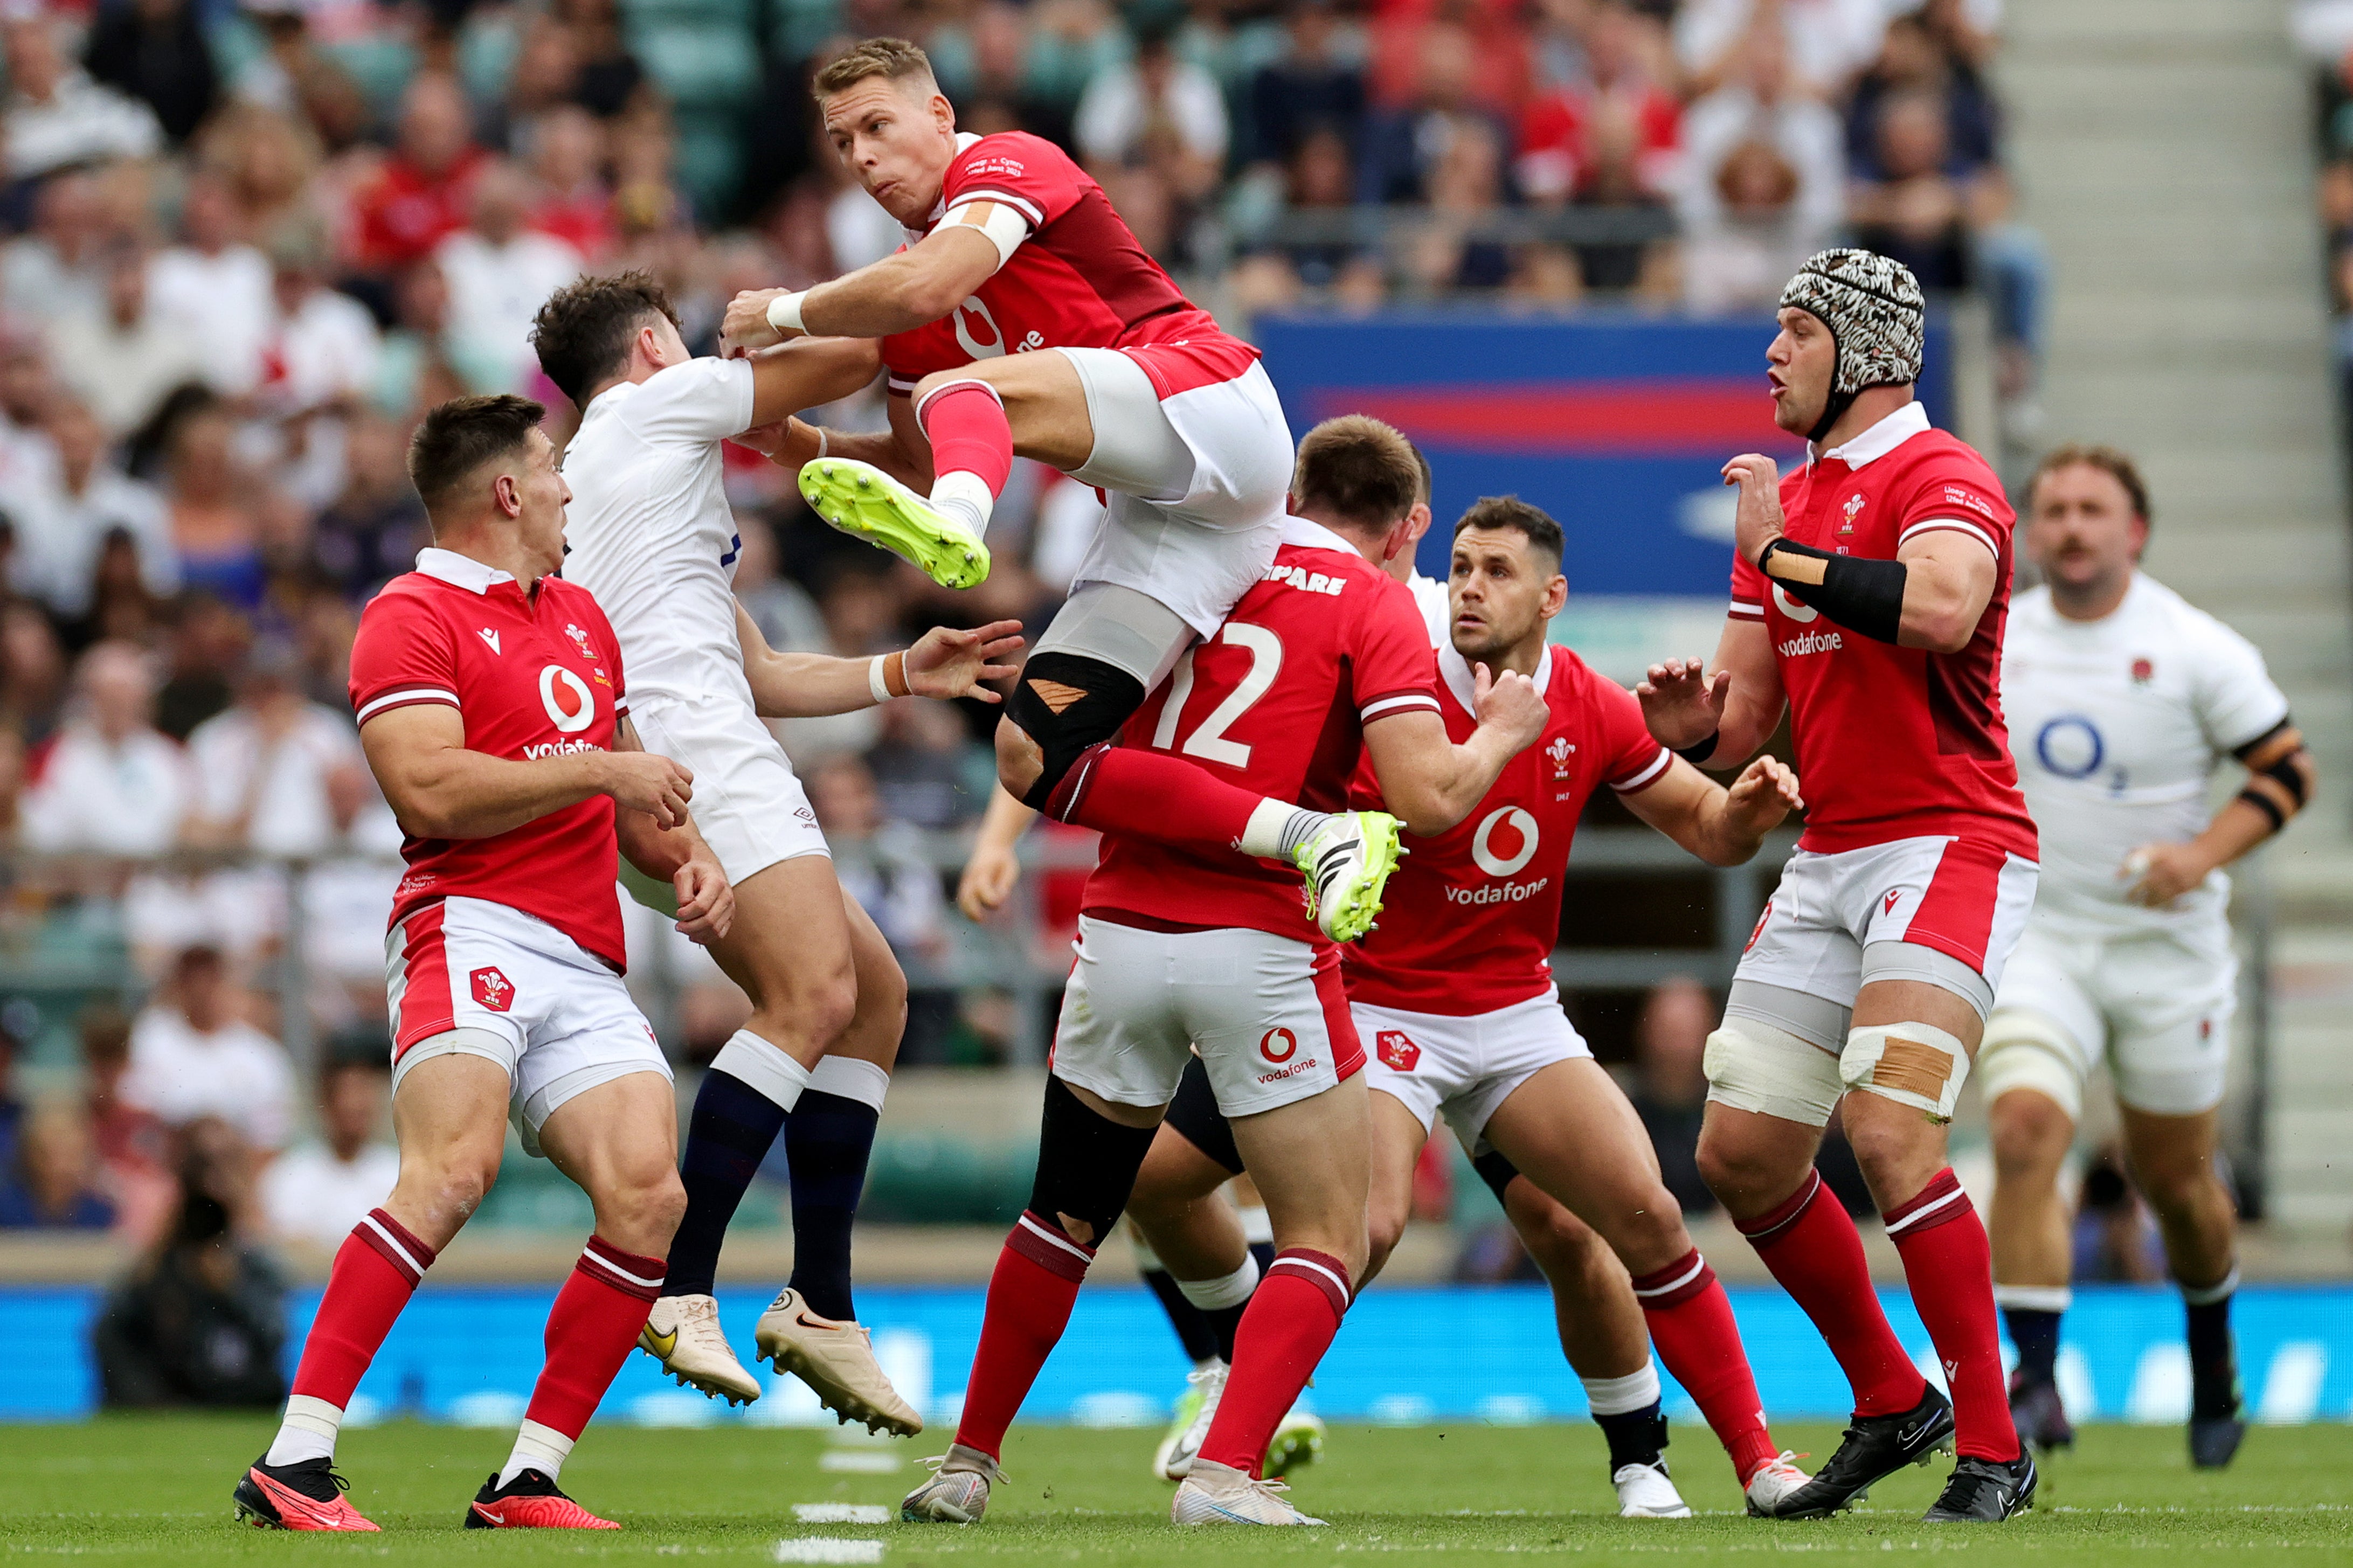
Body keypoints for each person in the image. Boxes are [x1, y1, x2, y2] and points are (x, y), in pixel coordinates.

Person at [901, 415, 1548, 1530]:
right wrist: (1499, 732)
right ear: (1408, 529)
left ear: (1292, 487)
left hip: (1119, 931)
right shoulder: (1372, 601)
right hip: (1259, 941)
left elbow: (1064, 739)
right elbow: (1425, 796)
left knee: (1061, 1214)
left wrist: (1003, 841)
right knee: (1326, 1235)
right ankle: (1223, 1471)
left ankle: (966, 1464)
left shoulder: (1196, 555)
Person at [1119, 493, 1813, 1521]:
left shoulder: (1588, 698)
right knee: (1359, 1225)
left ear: (1552, 595)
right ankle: (1225, 1455)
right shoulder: (1388, 686)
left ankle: (1724, 1464)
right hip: (1376, 1009)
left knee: (1633, 1220)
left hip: (1512, 1012)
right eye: (1463, 564)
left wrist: (1746, 803)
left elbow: (1712, 835)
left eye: (1498, 570)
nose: (1474, 586)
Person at [719, 38, 1402, 947]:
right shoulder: (910, 304)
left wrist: (781, 310)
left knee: (957, 396)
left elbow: (934, 283)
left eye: (878, 127)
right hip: (1172, 514)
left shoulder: (1008, 162)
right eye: (844, 144)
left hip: (1214, 404)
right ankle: (1316, 836)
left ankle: (960, 530)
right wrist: (808, 443)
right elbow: (926, 457)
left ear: (939, 117)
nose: (863, 159)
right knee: (1031, 754)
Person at [229, 393, 733, 1532]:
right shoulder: (406, 616)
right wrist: (605, 775)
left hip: (585, 953)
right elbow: (432, 788)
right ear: (507, 491)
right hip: (470, 921)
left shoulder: (583, 618)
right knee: (450, 1174)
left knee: (650, 1196)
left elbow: (629, 788)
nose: (566, 491)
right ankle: (295, 1462)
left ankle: (526, 1481)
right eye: (552, 470)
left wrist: (687, 857)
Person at [531, 270, 1023, 1426]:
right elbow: (848, 362)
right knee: (813, 994)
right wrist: (806, 313)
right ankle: (678, 1279)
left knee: (874, 997)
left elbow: (757, 670)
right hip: (696, 766)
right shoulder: (650, 410)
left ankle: (820, 1300)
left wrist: (906, 670)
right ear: (655, 345)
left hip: (686, 752)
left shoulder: (633, 489)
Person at [1637, 248, 2038, 1523]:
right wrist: (1694, 726)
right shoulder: (1788, 505)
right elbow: (1748, 713)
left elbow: (1936, 607)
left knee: (1887, 1133)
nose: (1769, 353)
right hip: (1832, 852)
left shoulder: (1942, 472)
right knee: (1741, 1151)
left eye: (1795, 331)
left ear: (1865, 353)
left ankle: (1993, 1448)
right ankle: (1890, 1396)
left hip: (1952, 839)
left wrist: (1781, 560)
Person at [1983, 446, 2312, 1468]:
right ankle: (2033, 1381)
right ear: (2032, 532)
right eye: (2054, 511)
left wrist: (2198, 856)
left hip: (2164, 949)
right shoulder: (1996, 641)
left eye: (2094, 510)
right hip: (2040, 934)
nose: (2072, 527)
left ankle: (2213, 1353)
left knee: (2177, 1185)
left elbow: (2286, 771)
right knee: (2028, 1127)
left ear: (2137, 531)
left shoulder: (2192, 646)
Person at [259, 1058, 399, 1250]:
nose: (355, 1105)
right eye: (347, 1095)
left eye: (363, 1095)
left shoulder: (398, 1172)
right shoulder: (292, 1173)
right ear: (326, 1105)